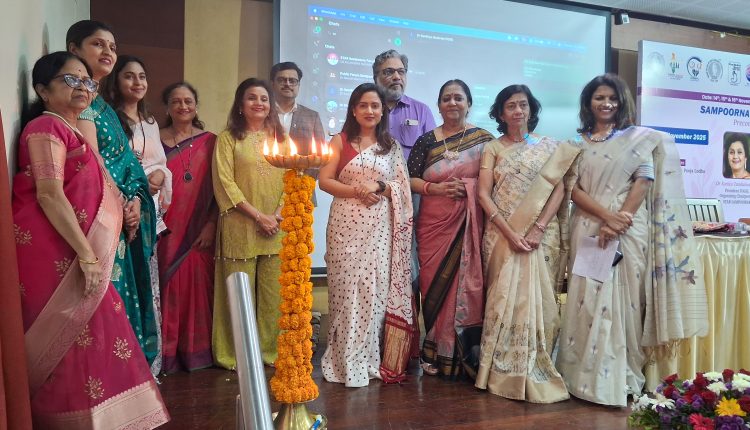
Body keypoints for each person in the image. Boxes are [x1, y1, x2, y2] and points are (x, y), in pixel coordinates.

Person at [13, 51, 168, 428]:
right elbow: (50, 195)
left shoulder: (73, 131)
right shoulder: (45, 128)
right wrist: (86, 256)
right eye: (71, 80)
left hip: (78, 252)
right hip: (59, 256)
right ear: (43, 90)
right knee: (71, 344)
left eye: (86, 81)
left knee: (95, 338)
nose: (82, 87)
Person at [556, 73, 708, 407]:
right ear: (588, 103)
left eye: (612, 98)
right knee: (586, 301)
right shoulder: (576, 143)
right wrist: (606, 217)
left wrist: (619, 220)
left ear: (622, 102)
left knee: (627, 302)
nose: (606, 103)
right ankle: (582, 377)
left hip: (629, 229)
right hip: (589, 228)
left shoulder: (637, 139)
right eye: (599, 97)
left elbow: (644, 180)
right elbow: (572, 190)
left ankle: (622, 377)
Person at [474, 84, 577, 403]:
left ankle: (537, 363)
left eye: (523, 105)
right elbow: (483, 194)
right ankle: (499, 370)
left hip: (540, 236)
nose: (517, 111)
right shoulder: (493, 148)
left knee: (540, 301)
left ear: (531, 109)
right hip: (501, 235)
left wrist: (538, 228)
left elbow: (559, 189)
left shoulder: (549, 146)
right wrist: (508, 231)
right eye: (510, 106)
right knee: (502, 299)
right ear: (500, 113)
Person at [68, 20, 160, 367]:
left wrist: (134, 200)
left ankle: (127, 377)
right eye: (98, 44)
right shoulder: (81, 105)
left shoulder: (103, 106)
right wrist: (123, 203)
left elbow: (126, 166)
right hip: (100, 217)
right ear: (74, 50)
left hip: (120, 212)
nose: (108, 51)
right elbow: (93, 164)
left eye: (112, 46)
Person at [319, 83, 414, 387]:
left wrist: (379, 187)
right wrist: (358, 191)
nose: (370, 111)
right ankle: (341, 360)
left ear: (383, 110)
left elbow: (401, 186)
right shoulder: (339, 140)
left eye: (375, 105)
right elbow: (324, 180)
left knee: (374, 292)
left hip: (379, 228)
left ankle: (367, 360)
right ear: (353, 109)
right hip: (344, 225)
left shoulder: (391, 146)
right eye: (363, 105)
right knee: (345, 291)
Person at [407, 79, 493, 378]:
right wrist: (437, 189)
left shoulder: (485, 140)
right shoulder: (426, 141)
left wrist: (469, 187)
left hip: (469, 224)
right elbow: (410, 179)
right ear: (439, 105)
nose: (452, 103)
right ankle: (435, 351)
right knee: (433, 286)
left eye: (458, 98)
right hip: (433, 225)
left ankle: (462, 353)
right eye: (446, 98)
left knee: (467, 286)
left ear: (469, 103)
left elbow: (496, 181)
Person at [103, 54, 172, 375]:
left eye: (142, 76)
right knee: (128, 283)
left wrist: (160, 175)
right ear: (116, 81)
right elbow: (112, 165)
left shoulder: (150, 122)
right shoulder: (110, 119)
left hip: (148, 210)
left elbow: (160, 163)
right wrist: (139, 185)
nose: (137, 82)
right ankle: (126, 365)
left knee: (148, 281)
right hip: (122, 208)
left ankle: (149, 364)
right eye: (129, 76)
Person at [212, 78, 286, 370]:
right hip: (240, 227)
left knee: (273, 297)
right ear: (240, 105)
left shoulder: (281, 139)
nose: (259, 103)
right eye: (252, 98)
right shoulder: (228, 138)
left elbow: (293, 179)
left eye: (264, 98)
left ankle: (270, 352)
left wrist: (276, 214)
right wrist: (259, 216)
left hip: (276, 227)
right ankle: (237, 355)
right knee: (238, 295)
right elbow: (225, 183)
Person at [158, 82, 217, 373]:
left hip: (198, 231)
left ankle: (194, 354)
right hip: (163, 230)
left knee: (194, 291)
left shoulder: (211, 142)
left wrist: (211, 224)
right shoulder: (153, 140)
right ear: (167, 107)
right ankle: (166, 356)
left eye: (188, 101)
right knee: (167, 290)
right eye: (176, 101)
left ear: (196, 105)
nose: (183, 106)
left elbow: (219, 190)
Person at [372, 49, 436, 159]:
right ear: (375, 78)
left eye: (401, 72)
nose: (397, 77)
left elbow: (434, 155)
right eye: (389, 72)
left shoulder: (422, 111)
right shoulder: (367, 110)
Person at [270, 61, 325, 149]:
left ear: (298, 85)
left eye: (292, 81)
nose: (287, 84)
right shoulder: (264, 112)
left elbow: (320, 149)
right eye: (281, 80)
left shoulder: (312, 117)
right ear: (272, 84)